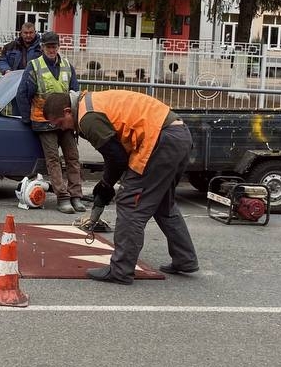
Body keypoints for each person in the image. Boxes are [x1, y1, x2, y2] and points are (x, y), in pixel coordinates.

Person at [42, 89, 199, 285]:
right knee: (162, 203)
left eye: (60, 124)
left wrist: (106, 185)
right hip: (178, 135)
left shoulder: (86, 118)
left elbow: (117, 158)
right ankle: (185, 259)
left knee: (129, 204)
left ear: (67, 111)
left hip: (159, 140)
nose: (62, 129)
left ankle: (121, 270)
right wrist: (106, 183)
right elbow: (117, 154)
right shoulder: (90, 101)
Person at [18, 32, 85, 214]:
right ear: (42, 47)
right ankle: (63, 197)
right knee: (53, 159)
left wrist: (75, 119)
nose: (51, 49)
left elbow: (75, 94)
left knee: (73, 157)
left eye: (54, 46)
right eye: (48, 46)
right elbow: (23, 94)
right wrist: (26, 119)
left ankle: (76, 195)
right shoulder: (34, 66)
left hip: (65, 120)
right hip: (44, 120)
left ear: (58, 47)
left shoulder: (66, 66)